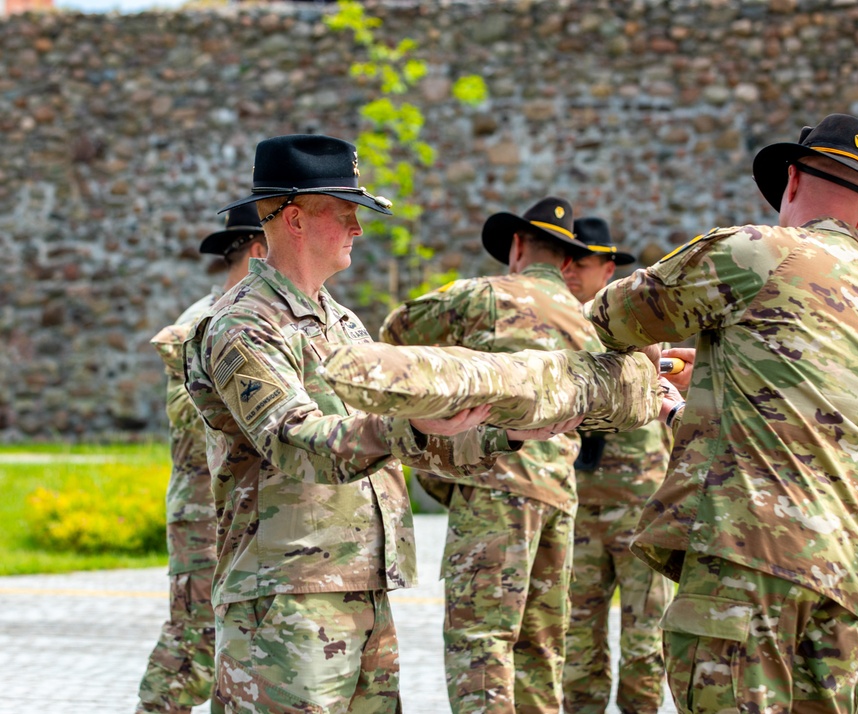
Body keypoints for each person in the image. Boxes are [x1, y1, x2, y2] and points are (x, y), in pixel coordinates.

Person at [182, 134, 570, 714]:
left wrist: (503, 433)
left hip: (363, 591)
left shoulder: (341, 322)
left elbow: (400, 441)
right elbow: (299, 442)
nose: (358, 231)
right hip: (285, 603)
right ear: (294, 218)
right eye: (345, 215)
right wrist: (407, 428)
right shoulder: (243, 326)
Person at [586, 113, 858, 713]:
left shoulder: (756, 253)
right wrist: (718, 381)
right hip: (843, 577)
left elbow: (613, 317)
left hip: (745, 566)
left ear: (790, 181)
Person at [380, 197, 601, 714]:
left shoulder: (484, 297)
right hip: (558, 495)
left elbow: (397, 332)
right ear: (568, 263)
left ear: (517, 246)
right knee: (540, 649)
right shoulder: (588, 323)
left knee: (481, 641)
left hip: (494, 483)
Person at [137, 203, 267, 714]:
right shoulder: (203, 326)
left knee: (232, 653)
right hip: (204, 517)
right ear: (259, 254)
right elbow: (203, 424)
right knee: (192, 648)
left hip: (232, 515)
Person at [559, 217, 675, 714]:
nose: (567, 272)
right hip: (580, 509)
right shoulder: (553, 323)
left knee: (645, 645)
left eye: (579, 264)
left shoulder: (638, 323)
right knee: (577, 648)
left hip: (639, 511)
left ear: (607, 268)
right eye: (563, 261)